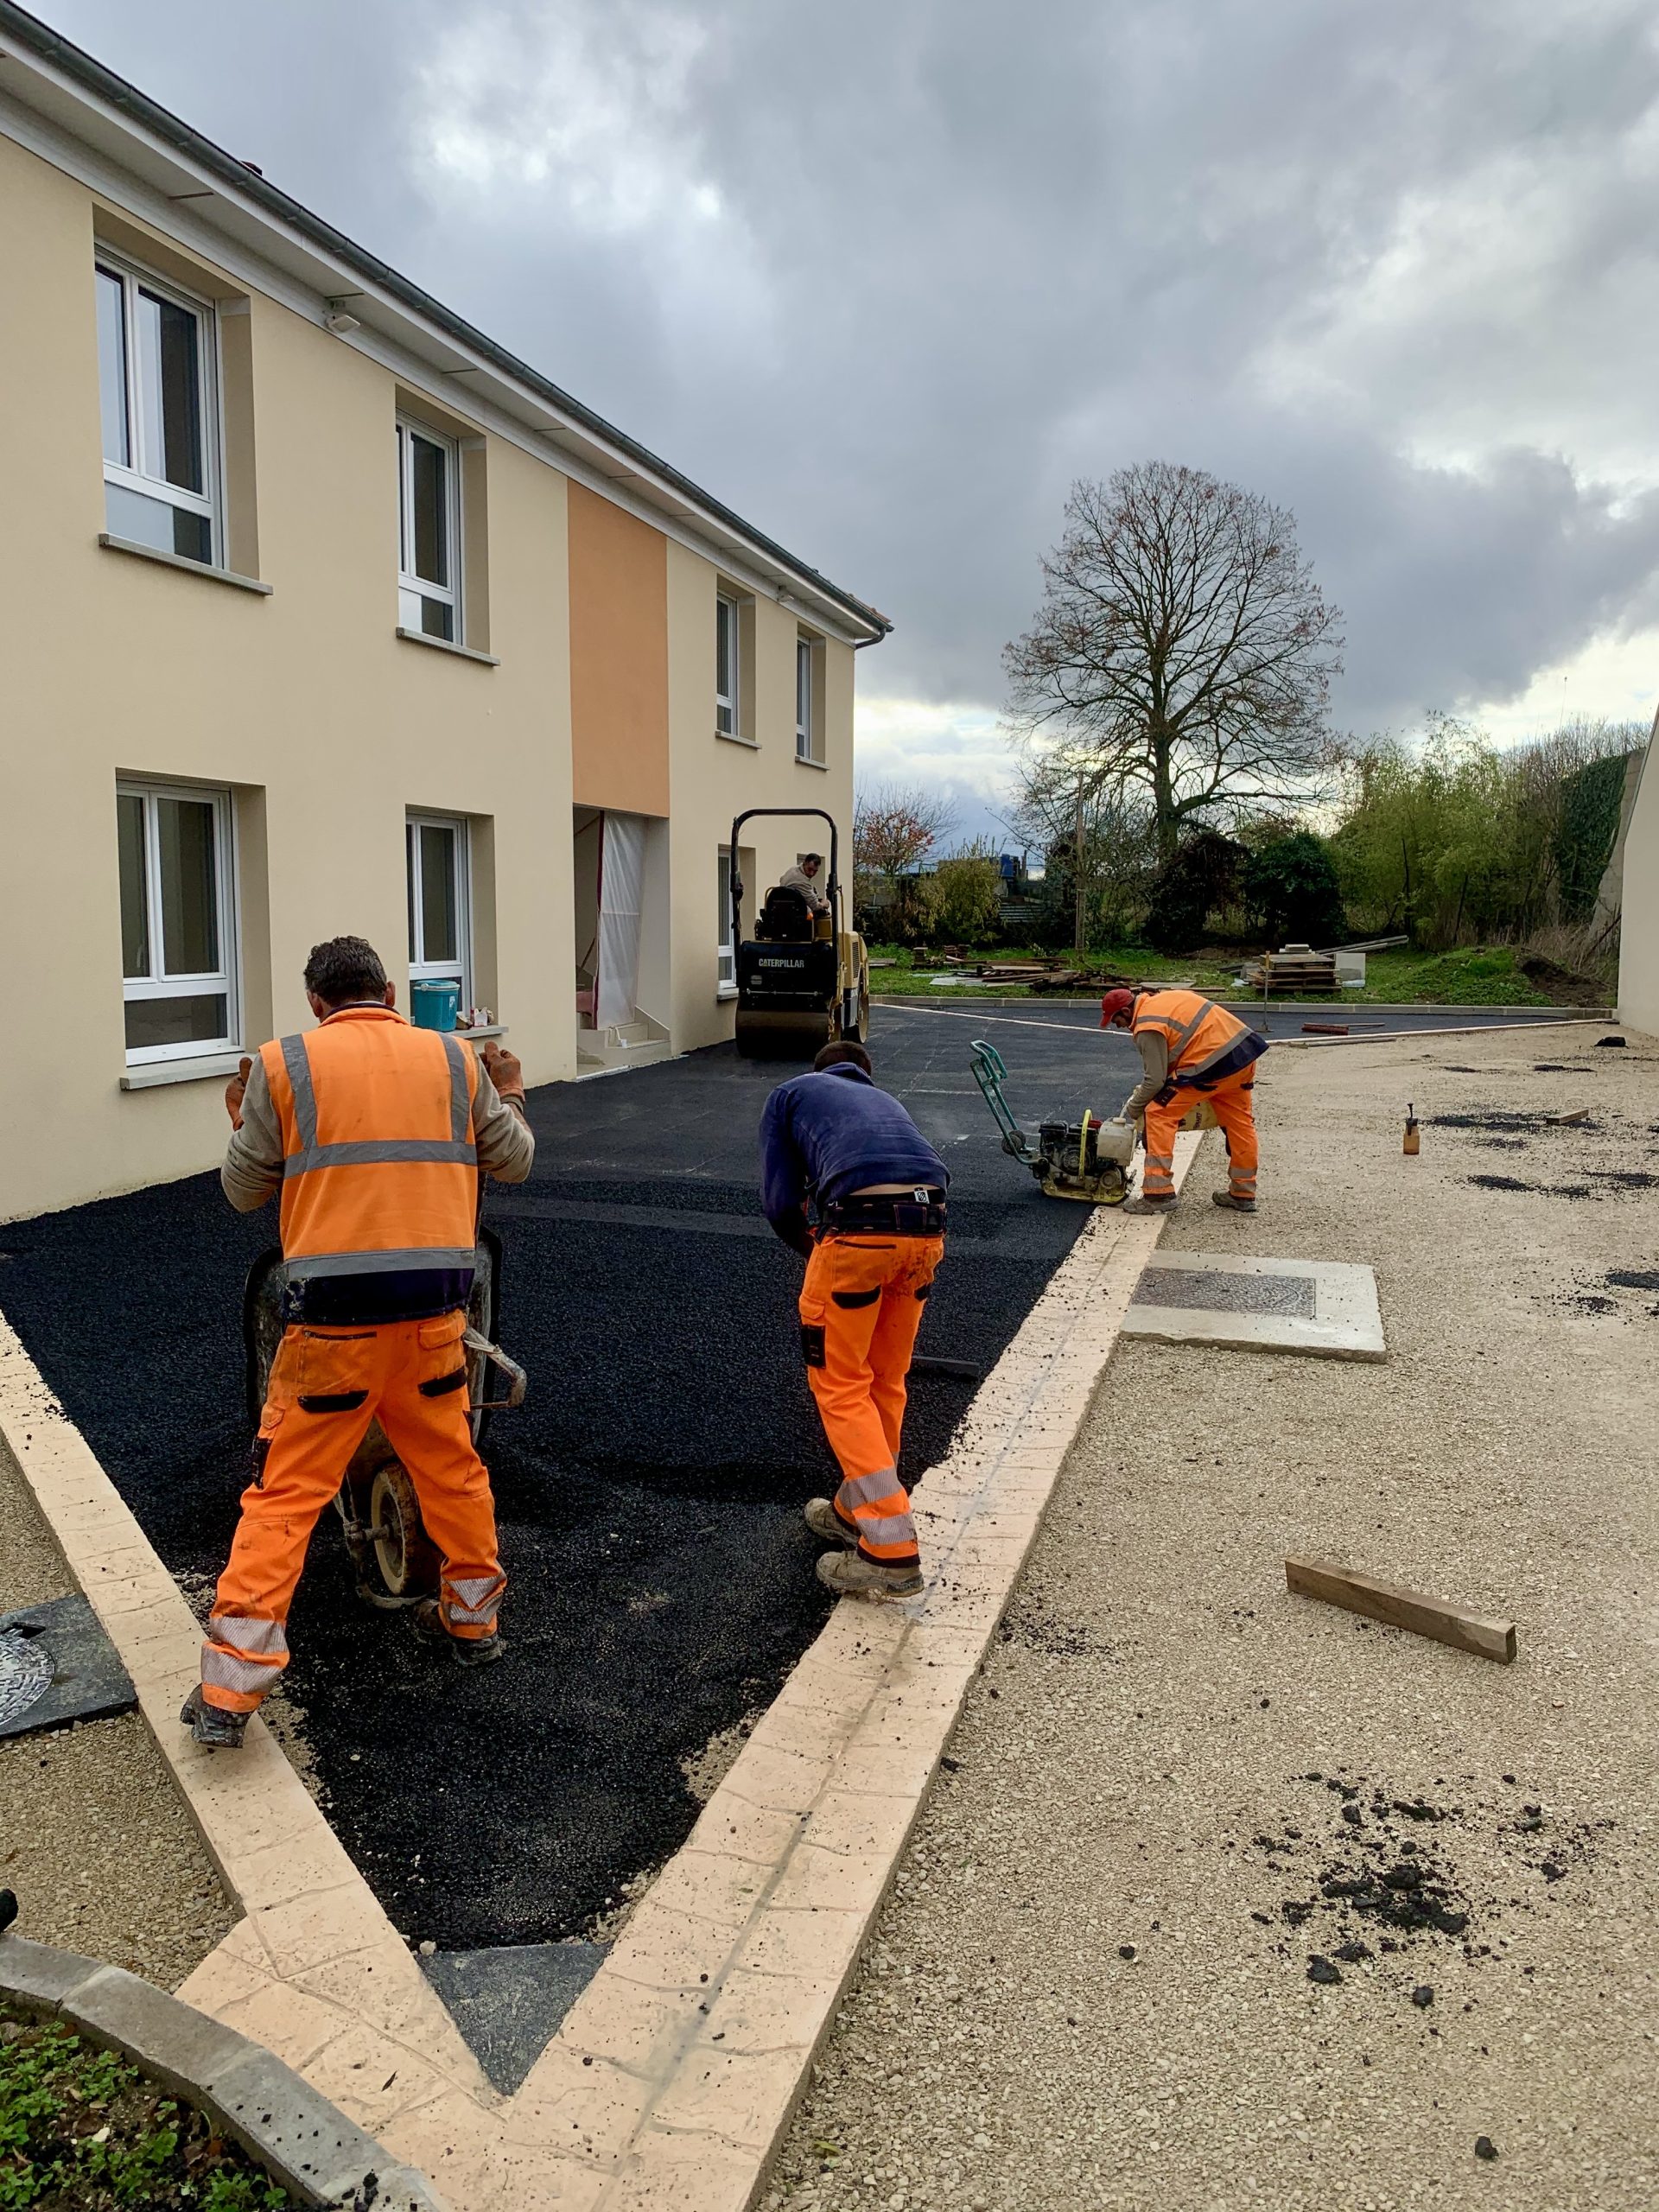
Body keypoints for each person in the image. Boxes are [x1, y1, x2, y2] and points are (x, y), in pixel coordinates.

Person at [181, 936, 535, 1749]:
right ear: (388, 992)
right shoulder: (454, 1059)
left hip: (333, 1330)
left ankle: (230, 1693)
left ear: (317, 1003)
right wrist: (512, 1092)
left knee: (285, 1494)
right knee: (452, 1470)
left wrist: (242, 1119)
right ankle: (474, 1624)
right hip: (434, 1320)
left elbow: (242, 1192)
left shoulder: (284, 1064)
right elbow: (514, 1163)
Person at [760, 1041, 947, 1601]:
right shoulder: (886, 1103)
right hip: (929, 1231)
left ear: (820, 1072)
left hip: (861, 1231)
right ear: (865, 1075)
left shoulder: (792, 1094)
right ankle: (855, 1508)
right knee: (886, 1378)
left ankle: (891, 1551)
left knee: (841, 1385)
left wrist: (822, 1255)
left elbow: (780, 1204)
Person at [1099, 985, 1267, 1212]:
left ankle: (1159, 1195)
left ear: (1126, 1012)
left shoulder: (1147, 1024)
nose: (1117, 1025)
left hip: (1211, 1064)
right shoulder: (1164, 1000)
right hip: (1243, 1056)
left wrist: (1135, 1108)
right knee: (1239, 1123)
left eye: (1116, 1020)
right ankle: (1243, 1193)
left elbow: (1155, 1080)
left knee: (1158, 1112)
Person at [778, 852, 830, 917]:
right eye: (810, 869)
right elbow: (815, 906)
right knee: (822, 913)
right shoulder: (803, 881)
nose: (811, 873)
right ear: (804, 863)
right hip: (794, 914)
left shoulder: (792, 869)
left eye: (815, 871)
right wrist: (824, 904)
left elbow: (781, 879)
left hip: (780, 909)